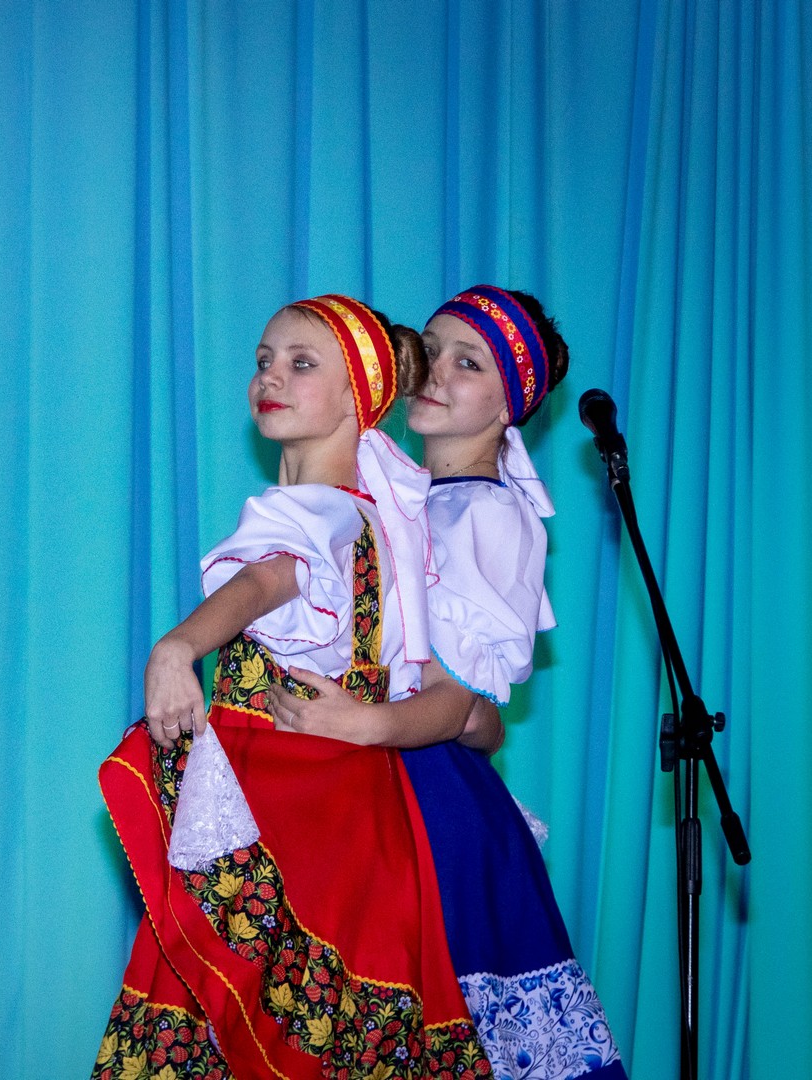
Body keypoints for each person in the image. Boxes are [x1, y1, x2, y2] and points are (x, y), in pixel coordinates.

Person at [94, 296, 491, 1080]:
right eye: (263, 361)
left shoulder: (316, 514)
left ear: (357, 397)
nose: (269, 377)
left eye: (300, 363)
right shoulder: (378, 525)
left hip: (285, 825)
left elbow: (269, 576)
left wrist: (180, 646)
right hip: (360, 828)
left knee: (217, 1027)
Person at [270, 286, 625, 1076]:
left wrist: (360, 723)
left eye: (469, 363)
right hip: (372, 781)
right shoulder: (407, 496)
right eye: (430, 350)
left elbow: (460, 703)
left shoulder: (485, 516)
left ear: (510, 405)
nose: (435, 371)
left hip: (427, 804)